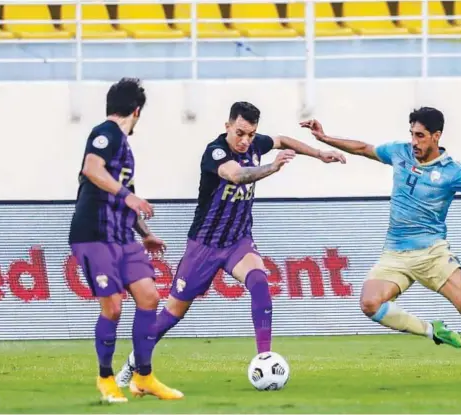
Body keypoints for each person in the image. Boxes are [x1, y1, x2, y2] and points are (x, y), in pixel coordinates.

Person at [299, 107, 461, 388]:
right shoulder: (400, 153)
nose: (414, 141)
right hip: (395, 254)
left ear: (436, 136)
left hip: (433, 254)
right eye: (412, 134)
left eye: (420, 136)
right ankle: (431, 330)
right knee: (370, 303)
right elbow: (363, 148)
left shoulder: (453, 171)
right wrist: (324, 138)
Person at [116, 101, 346, 387]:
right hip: (205, 245)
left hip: (238, 241)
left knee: (260, 283)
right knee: (173, 313)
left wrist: (319, 153)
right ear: (227, 127)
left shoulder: (254, 145)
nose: (246, 140)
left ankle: (265, 358)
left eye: (251, 134)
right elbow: (236, 175)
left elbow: (283, 139)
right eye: (240, 133)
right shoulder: (215, 153)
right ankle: (134, 361)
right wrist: (271, 168)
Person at [69, 78, 183, 402]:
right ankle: (106, 380)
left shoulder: (122, 146)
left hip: (122, 236)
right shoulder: (106, 133)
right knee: (114, 307)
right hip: (94, 234)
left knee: (149, 297)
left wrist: (145, 234)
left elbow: (125, 196)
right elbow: (92, 168)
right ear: (137, 111)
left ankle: (143, 377)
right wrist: (127, 196)